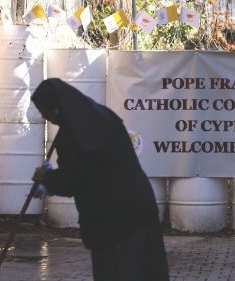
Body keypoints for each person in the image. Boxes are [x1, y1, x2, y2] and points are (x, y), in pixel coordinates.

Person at [31, 78, 169, 281]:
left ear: (56, 109)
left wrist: (46, 178)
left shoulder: (73, 135)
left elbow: (73, 181)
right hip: (139, 208)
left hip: (114, 222)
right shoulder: (102, 117)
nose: (44, 117)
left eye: (44, 112)